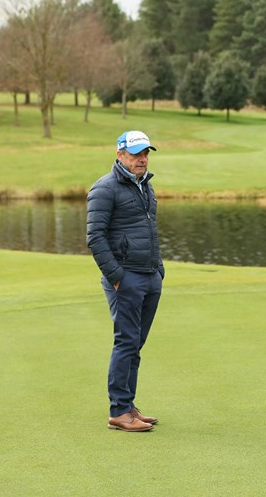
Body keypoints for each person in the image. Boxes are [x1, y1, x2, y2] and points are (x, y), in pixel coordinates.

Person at [87, 130, 164, 432]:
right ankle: (118, 410)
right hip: (126, 278)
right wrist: (117, 278)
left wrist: (158, 269)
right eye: (135, 154)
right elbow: (95, 238)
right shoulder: (104, 189)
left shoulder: (145, 186)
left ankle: (128, 405)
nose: (142, 159)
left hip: (148, 275)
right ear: (120, 155)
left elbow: (149, 230)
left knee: (135, 343)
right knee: (126, 341)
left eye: (145, 153)